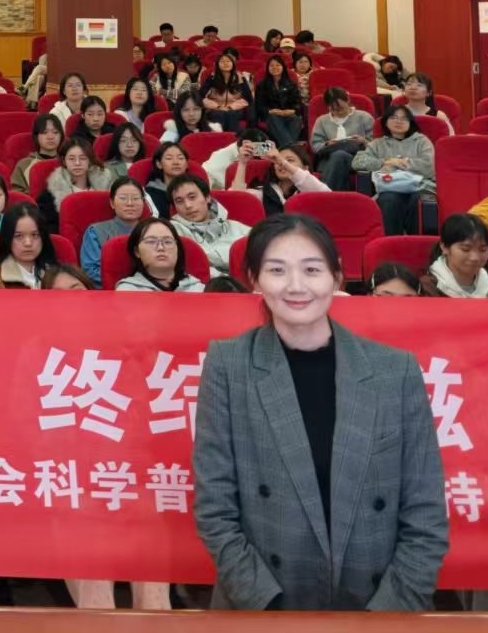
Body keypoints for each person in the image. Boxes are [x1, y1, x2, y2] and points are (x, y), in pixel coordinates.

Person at [192, 213, 448, 609]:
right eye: (277, 270)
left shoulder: (394, 370)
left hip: (378, 606)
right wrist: (265, 604)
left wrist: (391, 609)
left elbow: (425, 508)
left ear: (337, 276)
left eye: (312, 269)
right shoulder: (228, 365)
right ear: (255, 279)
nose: (296, 286)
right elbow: (215, 508)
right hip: (263, 606)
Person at [353, 107, 436, 234]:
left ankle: (416, 242)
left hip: (420, 186)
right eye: (393, 118)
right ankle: (391, 242)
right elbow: (358, 162)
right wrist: (385, 161)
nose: (398, 121)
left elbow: (429, 166)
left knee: (417, 199)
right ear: (386, 122)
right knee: (389, 199)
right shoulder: (378, 144)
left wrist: (399, 163)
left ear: (410, 123)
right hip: (390, 186)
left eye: (404, 118)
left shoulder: (421, 141)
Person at [167, 174, 250, 278]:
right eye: (179, 201)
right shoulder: (173, 233)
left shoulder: (237, 227)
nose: (188, 205)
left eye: (192, 197)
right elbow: (192, 268)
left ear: (207, 198)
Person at [79, 179, 154, 286]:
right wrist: (128, 284)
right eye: (123, 198)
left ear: (143, 202)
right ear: (112, 203)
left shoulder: (154, 231)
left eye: (136, 198)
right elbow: (90, 271)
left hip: (151, 288)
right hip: (110, 290)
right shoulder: (96, 232)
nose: (130, 203)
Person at [423, 213, 488, 298]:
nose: (475, 258)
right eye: (466, 249)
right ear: (444, 247)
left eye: (483, 249)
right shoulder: (426, 289)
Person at [0, 202, 54, 288]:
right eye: (18, 236)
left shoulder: (58, 275)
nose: (28, 243)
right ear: (7, 239)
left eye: (34, 235)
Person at [116, 218, 206, 292]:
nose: (161, 248)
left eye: (167, 242)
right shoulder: (127, 291)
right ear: (137, 252)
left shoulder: (199, 289)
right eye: (151, 242)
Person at [310, 87, 372, 192]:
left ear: (348, 100)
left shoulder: (364, 117)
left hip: (356, 158)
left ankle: (325, 195)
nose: (338, 112)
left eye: (341, 108)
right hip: (328, 159)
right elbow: (315, 146)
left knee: (339, 155)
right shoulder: (322, 121)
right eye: (333, 110)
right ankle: (335, 197)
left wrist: (363, 141)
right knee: (338, 155)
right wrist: (327, 144)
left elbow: (376, 144)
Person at [254, 55, 303, 148]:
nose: (275, 67)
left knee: (296, 119)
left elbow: (298, 103)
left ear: (283, 67)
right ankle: (290, 148)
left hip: (288, 114)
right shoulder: (262, 85)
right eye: (272, 65)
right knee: (273, 118)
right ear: (268, 68)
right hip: (271, 115)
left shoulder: (291, 84)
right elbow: (259, 105)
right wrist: (270, 111)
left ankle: (284, 147)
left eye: (277, 65)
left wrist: (292, 111)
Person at [46, 136, 115, 202]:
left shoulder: (106, 187)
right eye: (71, 159)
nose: (77, 163)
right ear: (64, 161)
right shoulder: (53, 193)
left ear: (90, 160)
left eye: (83, 158)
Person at [11, 112, 65, 194]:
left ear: (61, 136)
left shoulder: (68, 162)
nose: (50, 137)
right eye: (45, 132)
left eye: (55, 132)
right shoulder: (24, 165)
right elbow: (17, 194)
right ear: (36, 136)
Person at [143, 141, 194, 215]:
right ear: (159, 164)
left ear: (186, 164)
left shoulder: (196, 189)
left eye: (180, 158)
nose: (176, 162)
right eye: (169, 158)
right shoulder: (150, 194)